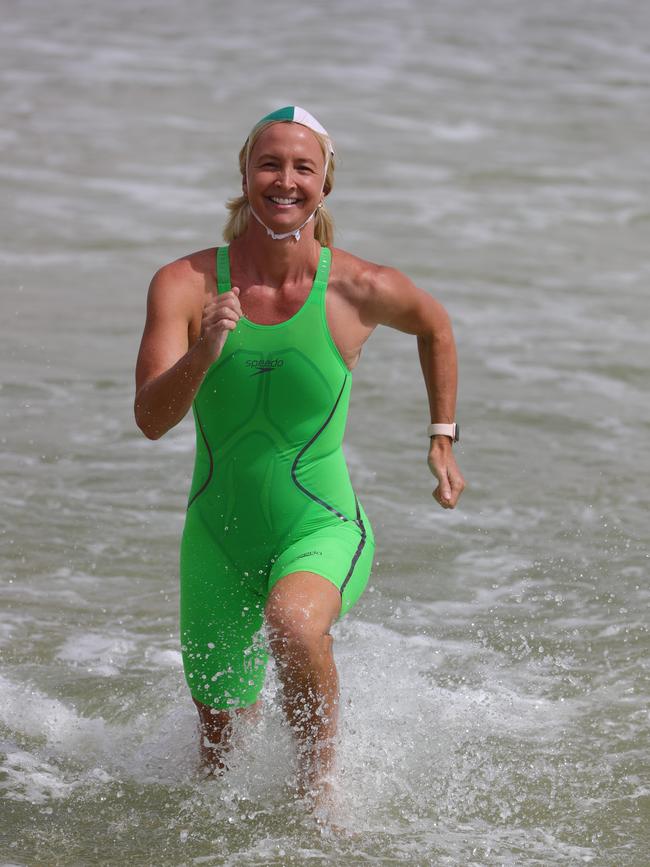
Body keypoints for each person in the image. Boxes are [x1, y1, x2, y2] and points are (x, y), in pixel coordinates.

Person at [134, 106, 465, 804]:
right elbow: (151, 419)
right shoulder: (185, 285)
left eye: (302, 167)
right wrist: (205, 349)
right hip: (216, 536)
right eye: (270, 164)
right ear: (246, 175)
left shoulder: (356, 287)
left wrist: (442, 433)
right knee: (216, 755)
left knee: (294, 622)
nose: (284, 180)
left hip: (320, 523)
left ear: (325, 184)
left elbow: (435, 324)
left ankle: (320, 796)